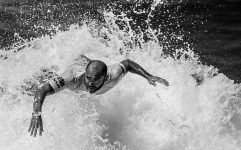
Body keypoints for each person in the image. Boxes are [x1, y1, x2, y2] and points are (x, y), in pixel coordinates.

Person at [29, 54, 169, 137]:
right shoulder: (72, 79)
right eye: (88, 78)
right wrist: (36, 114)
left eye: (96, 80)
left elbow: (128, 63)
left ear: (105, 78)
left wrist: (148, 76)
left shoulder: (114, 74)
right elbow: (42, 91)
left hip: (88, 65)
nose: (90, 83)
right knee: (37, 86)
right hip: (75, 66)